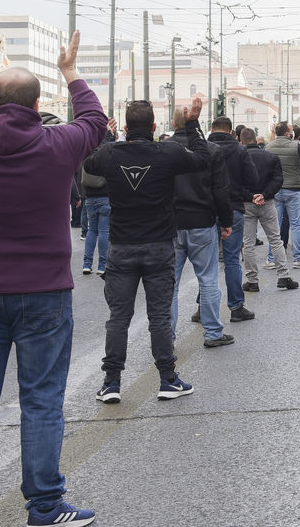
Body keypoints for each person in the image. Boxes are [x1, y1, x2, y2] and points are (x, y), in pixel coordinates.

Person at [0, 33, 106, 527]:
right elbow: (94, 119)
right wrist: (70, 72)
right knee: (42, 402)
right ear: (35, 106)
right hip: (44, 291)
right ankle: (45, 507)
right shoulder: (59, 144)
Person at [85, 98, 211, 403]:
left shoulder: (110, 153)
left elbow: (89, 162)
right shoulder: (167, 152)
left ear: (126, 128)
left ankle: (111, 382)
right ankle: (168, 380)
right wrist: (192, 123)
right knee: (159, 316)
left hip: (121, 247)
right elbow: (204, 159)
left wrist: (106, 135)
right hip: (159, 246)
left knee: (118, 317)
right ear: (154, 127)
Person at [168, 105, 235, 348]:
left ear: (173, 124)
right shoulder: (211, 150)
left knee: (169, 285)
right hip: (202, 221)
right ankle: (213, 332)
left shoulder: (163, 149)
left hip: (171, 224)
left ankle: (167, 338)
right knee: (207, 279)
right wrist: (226, 221)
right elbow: (221, 190)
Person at [205, 117, 257, 323]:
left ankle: (203, 308)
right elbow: (252, 179)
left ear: (211, 129)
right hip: (233, 207)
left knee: (206, 262)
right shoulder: (240, 150)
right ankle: (236, 307)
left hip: (207, 210)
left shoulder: (203, 148)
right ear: (231, 132)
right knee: (232, 260)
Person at [239, 128, 296, 293]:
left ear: (241, 141)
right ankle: (283, 275)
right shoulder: (270, 157)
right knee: (275, 240)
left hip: (247, 203)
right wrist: (264, 194)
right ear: (256, 140)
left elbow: (235, 183)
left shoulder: (239, 158)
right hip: (267, 202)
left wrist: (251, 196)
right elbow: (278, 179)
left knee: (248, 243)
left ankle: (252, 280)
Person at [267, 122, 300, 269]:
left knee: (275, 226)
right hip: (293, 188)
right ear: (288, 133)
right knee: (295, 224)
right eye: (290, 129)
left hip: (276, 190)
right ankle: (298, 258)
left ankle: (271, 259)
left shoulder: (269, 146)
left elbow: (268, 148)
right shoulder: (297, 146)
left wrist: (272, 133)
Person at [79, 120, 116, 276]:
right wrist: (110, 136)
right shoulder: (106, 147)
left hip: (89, 195)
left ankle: (87, 264)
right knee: (104, 231)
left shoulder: (88, 144)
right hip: (105, 195)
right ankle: (102, 265)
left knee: (91, 231)